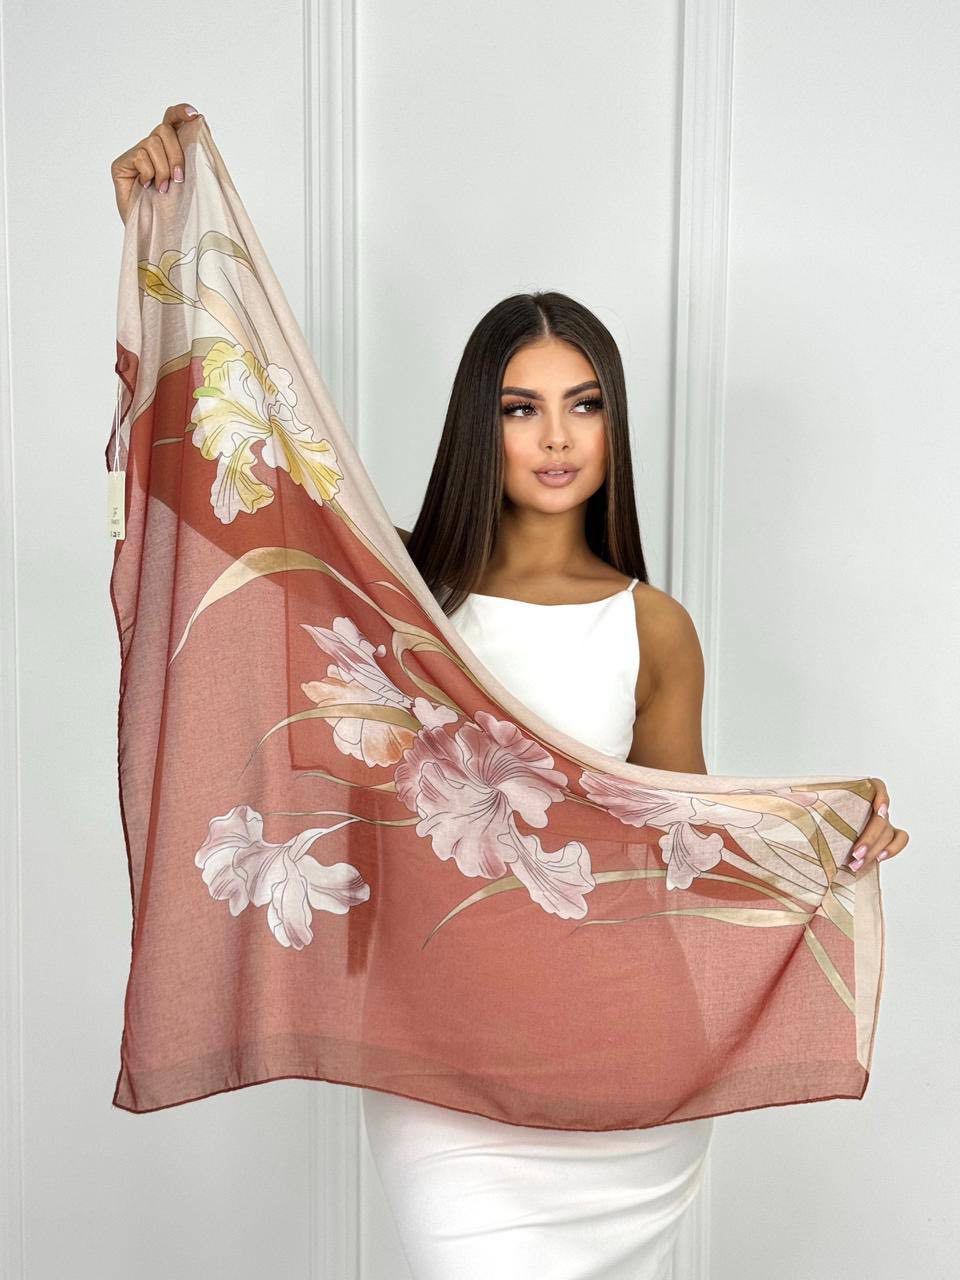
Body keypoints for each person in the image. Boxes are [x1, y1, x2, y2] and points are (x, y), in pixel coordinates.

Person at [110, 104, 910, 1280]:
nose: (555, 436)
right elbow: (218, 476)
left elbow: (678, 847)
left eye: (584, 403)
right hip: (440, 1058)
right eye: (521, 406)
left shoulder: (654, 625)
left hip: (623, 1053)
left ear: (612, 423)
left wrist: (824, 834)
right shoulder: (395, 601)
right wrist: (158, 229)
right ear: (480, 425)